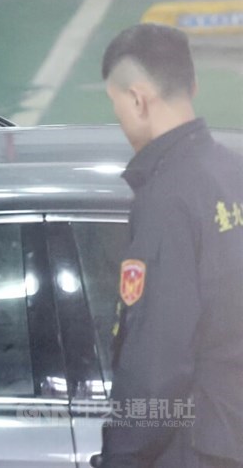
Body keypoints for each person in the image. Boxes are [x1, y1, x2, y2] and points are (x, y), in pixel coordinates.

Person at [99, 23, 243, 467]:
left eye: (117, 105)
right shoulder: (233, 170)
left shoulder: (166, 200)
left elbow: (156, 363)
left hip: (197, 447)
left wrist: (119, 458)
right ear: (192, 84)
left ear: (138, 99)